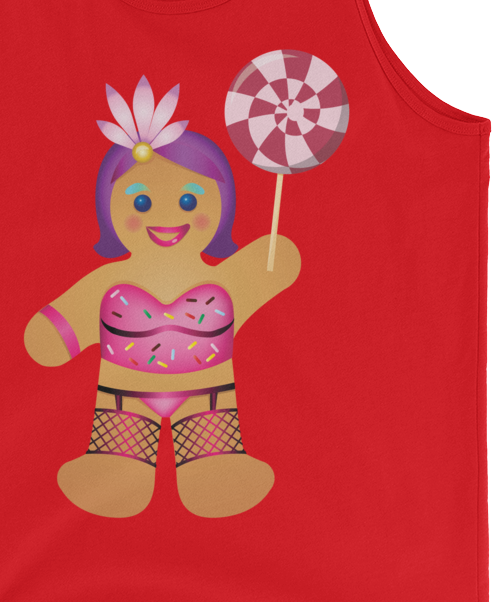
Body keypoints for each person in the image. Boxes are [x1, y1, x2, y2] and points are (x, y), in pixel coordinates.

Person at [24, 76, 300, 517]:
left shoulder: (226, 280)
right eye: (140, 202)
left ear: (222, 206)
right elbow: (55, 332)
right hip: (125, 396)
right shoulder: (108, 281)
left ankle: (216, 471)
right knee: (118, 457)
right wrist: (54, 333)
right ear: (110, 208)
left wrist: (272, 260)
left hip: (207, 396)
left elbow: (275, 264)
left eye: (190, 201)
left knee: (214, 459)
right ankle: (115, 467)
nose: (169, 214)